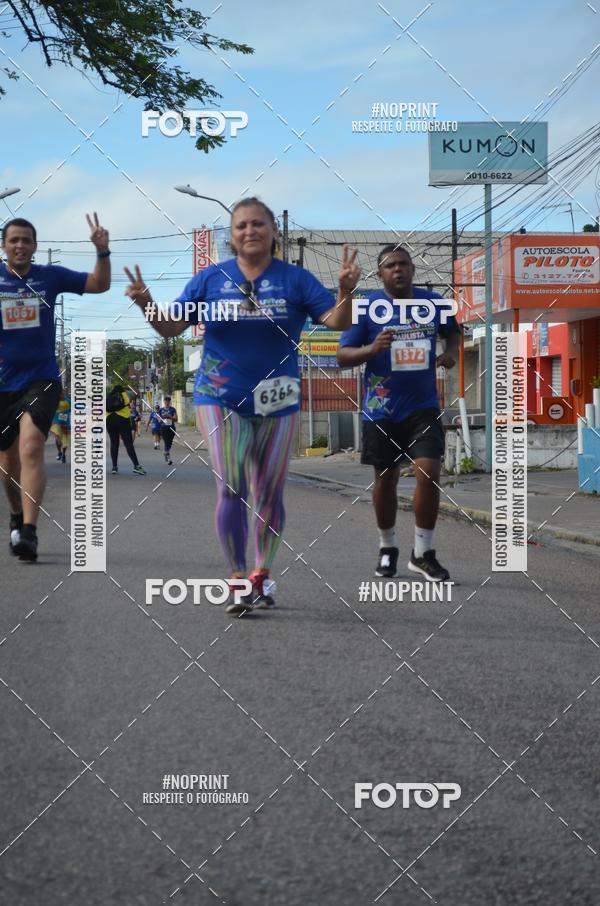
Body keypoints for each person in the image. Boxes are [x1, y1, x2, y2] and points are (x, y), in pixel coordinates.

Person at [124, 197, 360, 613]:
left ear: (273, 231)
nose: (250, 231)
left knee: (269, 492)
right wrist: (146, 302)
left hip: (278, 399)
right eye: (241, 226)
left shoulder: (296, 280)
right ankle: (236, 578)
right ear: (232, 238)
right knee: (231, 486)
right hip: (220, 397)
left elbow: (337, 321)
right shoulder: (210, 279)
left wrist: (345, 290)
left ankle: (260, 575)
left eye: (258, 224)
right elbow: (171, 327)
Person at [337, 245, 461, 582]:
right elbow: (343, 356)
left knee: (429, 472)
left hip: (423, 406)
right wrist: (372, 348)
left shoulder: (433, 303)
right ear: (380, 273)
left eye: (403, 264)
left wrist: (450, 353)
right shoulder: (367, 308)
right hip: (381, 410)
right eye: (390, 265)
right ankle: (387, 546)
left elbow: (454, 331)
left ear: (412, 269)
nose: (398, 269)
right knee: (386, 478)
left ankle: (423, 552)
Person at [0, 214, 111, 562]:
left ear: (35, 246)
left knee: (32, 446)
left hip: (41, 378)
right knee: (7, 464)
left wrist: (102, 252)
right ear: (4, 246)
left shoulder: (50, 276)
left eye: (26, 240)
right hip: (3, 382)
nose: (20, 245)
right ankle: (16, 514)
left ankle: (29, 532)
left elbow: (99, 284)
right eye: (14, 240)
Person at [106, 384, 146, 476]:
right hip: (122, 420)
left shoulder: (109, 397)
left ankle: (114, 467)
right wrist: (126, 388)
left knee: (114, 444)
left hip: (110, 420)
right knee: (128, 444)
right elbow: (134, 395)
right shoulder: (125, 395)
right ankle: (136, 466)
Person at [49, 388, 71, 463]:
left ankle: (63, 454)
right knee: (58, 437)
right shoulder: (54, 402)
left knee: (65, 440)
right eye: (60, 393)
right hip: (56, 422)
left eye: (62, 393)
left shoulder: (68, 401)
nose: (61, 395)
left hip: (65, 423)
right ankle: (59, 452)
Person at [159, 396, 177, 466]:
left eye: (168, 401)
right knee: (166, 441)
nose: (167, 402)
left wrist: (170, 416)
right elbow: (158, 420)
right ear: (164, 401)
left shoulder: (173, 409)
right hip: (163, 428)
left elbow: (176, 419)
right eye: (166, 401)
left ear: (170, 402)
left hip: (171, 428)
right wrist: (163, 417)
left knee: (169, 442)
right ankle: (169, 458)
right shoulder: (161, 410)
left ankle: (165, 452)